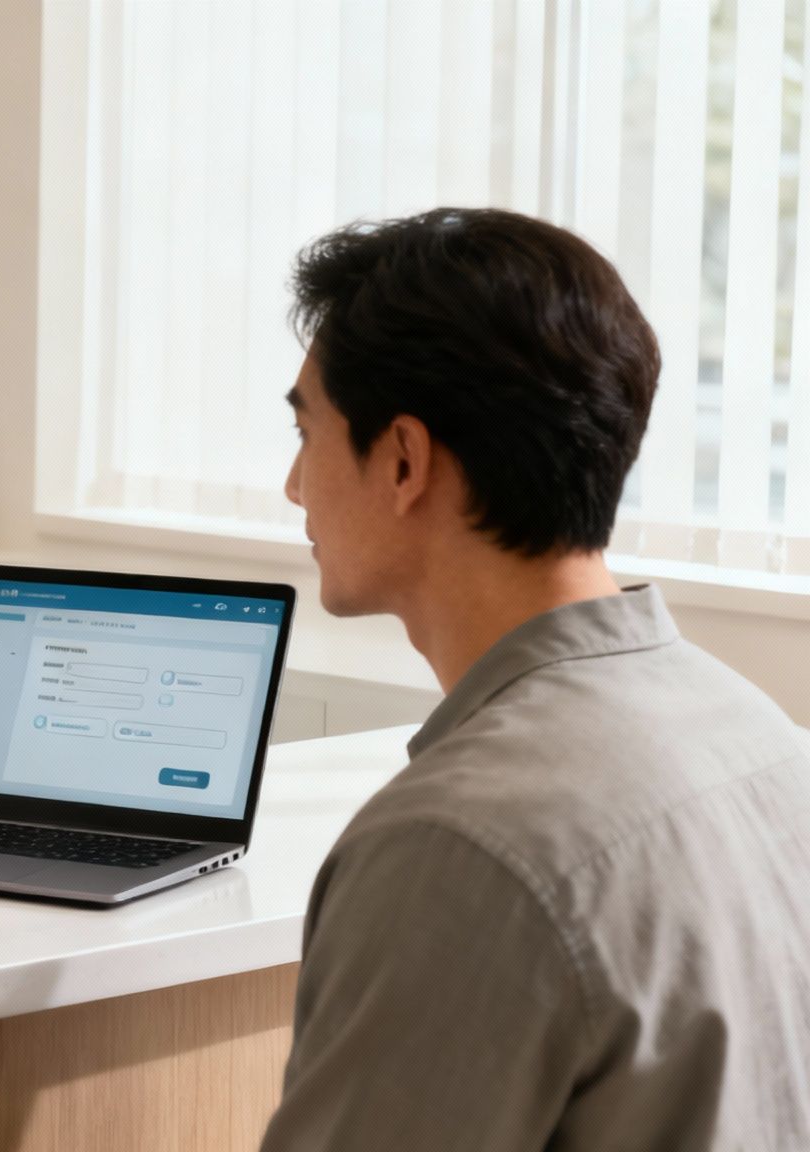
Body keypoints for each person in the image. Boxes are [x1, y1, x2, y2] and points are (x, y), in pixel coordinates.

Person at [260, 209, 810, 1150]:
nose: (293, 485)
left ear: (402, 460)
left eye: (307, 434)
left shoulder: (457, 847)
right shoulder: (764, 738)